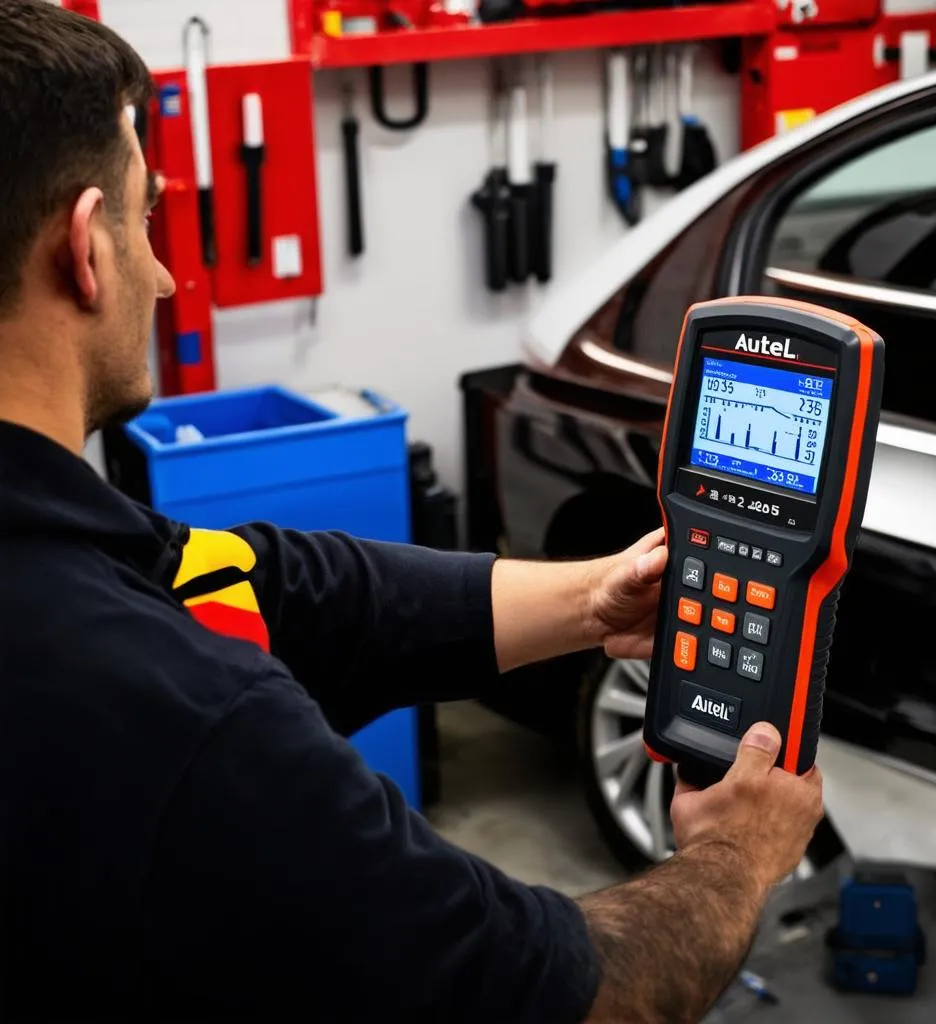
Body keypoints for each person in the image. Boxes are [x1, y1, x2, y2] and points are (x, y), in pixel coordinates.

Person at [0, 3, 823, 1021]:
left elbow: (272, 586)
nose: (164, 275)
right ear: (87, 248)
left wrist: (590, 601)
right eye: (144, 218)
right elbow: (564, 995)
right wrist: (740, 852)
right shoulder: (180, 717)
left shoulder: (72, 558)